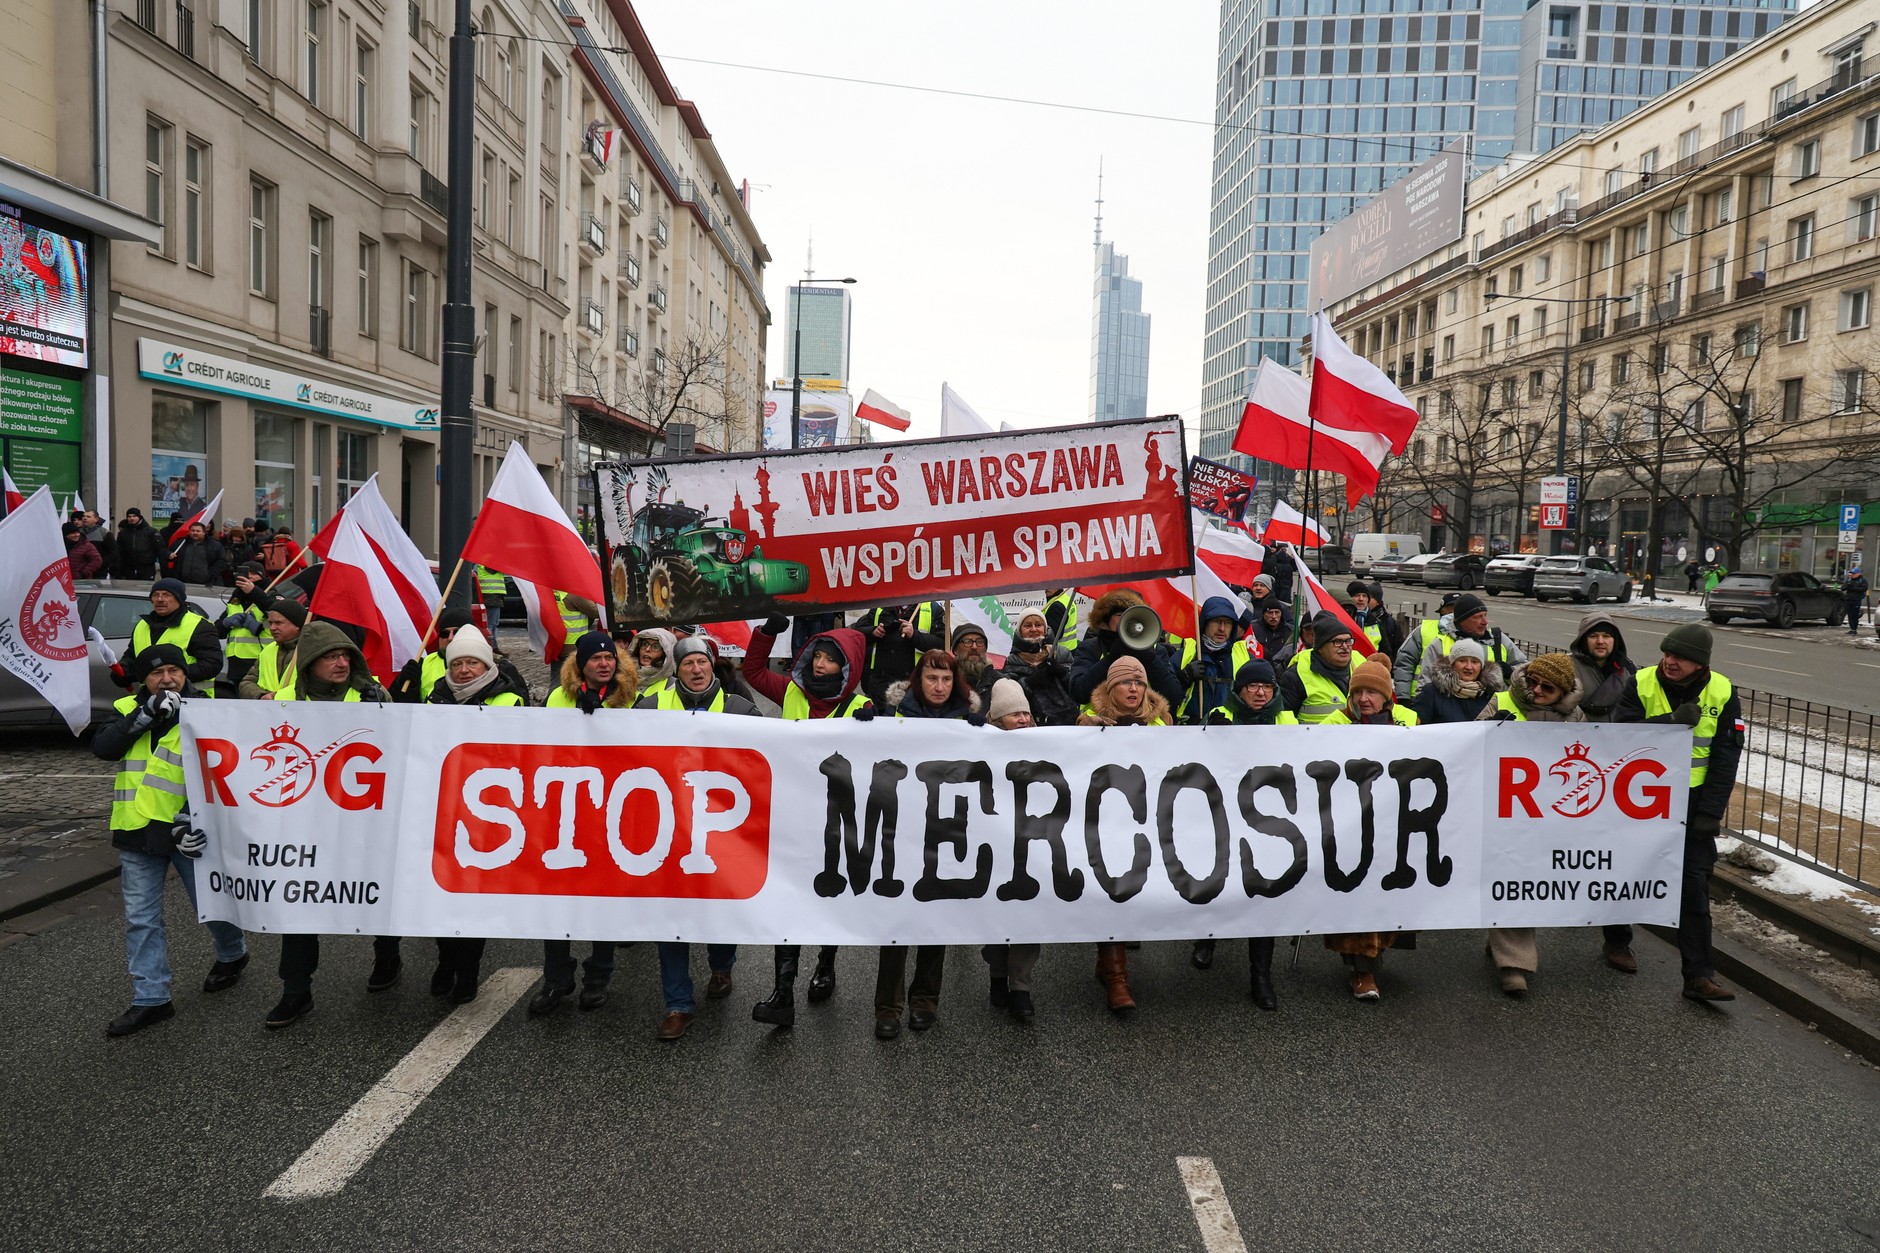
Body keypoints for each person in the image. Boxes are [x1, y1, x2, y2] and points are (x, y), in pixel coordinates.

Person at [92, 645, 249, 1036]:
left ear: (186, 675)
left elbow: (229, 772)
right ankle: (152, 998)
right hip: (136, 830)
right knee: (141, 920)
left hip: (189, 833)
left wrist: (192, 818)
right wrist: (144, 717)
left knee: (211, 906)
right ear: (143, 680)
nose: (167, 679)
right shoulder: (130, 708)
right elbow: (105, 749)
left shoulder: (209, 710)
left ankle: (233, 953)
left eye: (175, 671)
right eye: (158, 674)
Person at [740, 617, 872, 1027]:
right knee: (789, 899)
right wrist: (767, 632)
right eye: (816, 656)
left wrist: (873, 730)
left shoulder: (860, 708)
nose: (819, 664)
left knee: (829, 895)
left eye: (830, 660)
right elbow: (753, 672)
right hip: (792, 814)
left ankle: (826, 964)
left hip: (835, 820)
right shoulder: (792, 691)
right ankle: (783, 989)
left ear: (847, 667)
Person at [266, 621, 392, 1028]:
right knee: (297, 906)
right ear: (310, 664)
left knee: (376, 894)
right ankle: (295, 990)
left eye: (345, 656)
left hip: (366, 819)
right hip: (305, 823)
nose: (340, 663)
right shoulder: (283, 700)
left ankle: (388, 956)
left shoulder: (371, 695)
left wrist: (385, 709)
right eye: (330, 657)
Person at [1613, 624, 1745, 1002]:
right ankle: (1617, 942)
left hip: (1691, 804)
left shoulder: (1722, 691)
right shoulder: (1640, 683)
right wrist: (1669, 723)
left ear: (1700, 664)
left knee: (1693, 887)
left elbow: (1725, 757)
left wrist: (1710, 812)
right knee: (1623, 873)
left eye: (1681, 658)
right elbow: (1619, 735)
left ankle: (1699, 975)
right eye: (1667, 654)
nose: (1670, 662)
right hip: (1636, 799)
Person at [636, 635, 757, 1040]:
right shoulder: (651, 706)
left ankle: (722, 964)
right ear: (678, 668)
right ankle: (678, 1003)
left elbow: (767, 761)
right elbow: (623, 751)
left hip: (721, 834)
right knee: (671, 917)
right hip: (667, 833)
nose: (696, 669)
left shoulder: (742, 709)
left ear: (712, 665)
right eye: (688, 664)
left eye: (702, 662)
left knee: (717, 912)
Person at [862, 648, 983, 1038]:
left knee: (936, 921)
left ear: (956, 682)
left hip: (948, 833)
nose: (939, 686)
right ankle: (888, 1006)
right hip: (903, 831)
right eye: (932, 678)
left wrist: (987, 734)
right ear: (918, 680)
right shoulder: (894, 715)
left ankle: (925, 1000)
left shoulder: (969, 720)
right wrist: (862, 726)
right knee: (897, 923)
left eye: (947, 679)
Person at [528, 631, 634, 1018]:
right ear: (582, 665)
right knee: (556, 900)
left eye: (610, 658)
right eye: (596, 659)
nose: (604, 664)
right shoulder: (559, 697)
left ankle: (598, 977)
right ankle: (557, 978)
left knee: (602, 899)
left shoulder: (633, 698)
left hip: (611, 812)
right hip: (565, 812)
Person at [423, 625, 524, 1004]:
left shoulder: (509, 702)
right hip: (442, 811)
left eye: (473, 663)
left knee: (470, 898)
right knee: (441, 896)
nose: (465, 670)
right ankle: (445, 960)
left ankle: (468, 970)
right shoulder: (435, 699)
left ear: (487, 667)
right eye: (459, 663)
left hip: (487, 816)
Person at [1477, 652, 1585, 997]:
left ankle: (1504, 942)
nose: (1536, 690)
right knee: (1510, 877)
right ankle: (1514, 964)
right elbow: (1466, 746)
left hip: (1548, 815)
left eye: (1547, 688)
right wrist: (1491, 731)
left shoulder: (1576, 718)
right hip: (1500, 809)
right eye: (1534, 682)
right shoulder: (1503, 701)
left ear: (1563, 691)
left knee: (1528, 881)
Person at [1077, 654, 1172, 1017]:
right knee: (1112, 890)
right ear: (1110, 688)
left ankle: (1108, 964)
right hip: (1108, 821)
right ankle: (1116, 977)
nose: (1133, 689)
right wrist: (1086, 728)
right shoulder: (1089, 720)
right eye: (1124, 683)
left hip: (1152, 820)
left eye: (1139, 683)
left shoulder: (1163, 723)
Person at [1200, 656, 1293, 1010]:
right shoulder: (1220, 716)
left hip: (1268, 820)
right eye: (1252, 686)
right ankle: (1206, 939)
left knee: (1263, 892)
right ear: (1239, 690)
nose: (1259, 692)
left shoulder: (1288, 719)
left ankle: (1261, 975)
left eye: (1266, 686)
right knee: (1217, 882)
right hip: (1223, 816)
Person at [980, 677, 1043, 1022]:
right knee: (995, 915)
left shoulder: (1043, 743)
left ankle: (1021, 987)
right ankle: (997, 975)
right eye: (1013, 713)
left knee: (1027, 916)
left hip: (1030, 844)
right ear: (996, 718)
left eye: (1025, 713)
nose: (1022, 719)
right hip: (992, 843)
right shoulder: (980, 743)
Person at [1068, 588, 1185, 710]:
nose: (1126, 619)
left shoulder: (1156, 651)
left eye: (1132, 615)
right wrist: (1112, 658)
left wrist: (1151, 660)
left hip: (1147, 727)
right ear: (1106, 619)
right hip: (1102, 725)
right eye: (1120, 615)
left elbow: (1174, 697)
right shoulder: (1091, 648)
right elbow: (1078, 693)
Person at [124, 578, 222, 697]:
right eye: (155, 595)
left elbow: (212, 665)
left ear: (179, 599)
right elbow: (131, 656)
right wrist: (123, 670)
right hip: (150, 700)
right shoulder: (142, 625)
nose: (160, 599)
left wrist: (174, 676)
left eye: (166, 595)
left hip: (191, 699)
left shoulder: (200, 626)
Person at [1417, 593, 1525, 688]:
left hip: (1493, 708)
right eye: (1477, 617)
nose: (1485, 622)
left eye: (1485, 616)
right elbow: (1425, 683)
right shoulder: (1439, 644)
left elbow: (1526, 670)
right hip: (1451, 707)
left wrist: (1510, 672)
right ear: (1462, 620)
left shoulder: (1498, 639)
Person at [1178, 596, 1255, 725]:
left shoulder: (1246, 659)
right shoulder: (1186, 654)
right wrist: (1182, 678)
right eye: (1217, 621)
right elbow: (1163, 696)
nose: (1222, 628)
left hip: (1233, 733)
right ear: (1205, 623)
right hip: (1190, 733)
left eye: (1228, 623)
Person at [855, 601, 945, 707]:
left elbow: (943, 644)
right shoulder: (880, 607)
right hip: (880, 686)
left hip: (914, 686)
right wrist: (873, 631)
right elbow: (858, 633)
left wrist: (914, 635)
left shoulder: (933, 609)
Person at [999, 606, 1079, 726]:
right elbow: (1009, 697)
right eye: (1027, 626)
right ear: (1020, 631)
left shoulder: (1062, 654)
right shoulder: (1013, 660)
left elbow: (1078, 688)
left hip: (1067, 722)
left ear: (1046, 629)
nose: (1034, 629)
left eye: (1038, 625)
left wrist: (1062, 673)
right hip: (1032, 724)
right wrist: (1029, 683)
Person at [1277, 612, 1357, 724]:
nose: (1345, 647)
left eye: (1348, 641)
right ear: (1320, 648)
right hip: (1312, 740)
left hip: (1357, 740)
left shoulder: (1361, 664)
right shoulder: (1296, 675)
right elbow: (1284, 721)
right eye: (1337, 642)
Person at [1412, 637, 1504, 725]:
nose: (1468, 667)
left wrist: (1494, 723)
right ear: (1452, 664)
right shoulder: (1432, 692)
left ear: (1481, 666)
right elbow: (1416, 728)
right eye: (1462, 660)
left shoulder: (1490, 695)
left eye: (1474, 662)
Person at [1392, 590, 1461, 699]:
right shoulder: (1424, 630)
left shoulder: (1474, 632)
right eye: (1452, 608)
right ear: (1442, 610)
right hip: (1420, 697)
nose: (1455, 612)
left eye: (1460, 608)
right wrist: (1403, 696)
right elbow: (1404, 663)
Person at [1568, 612, 1636, 720]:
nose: (1600, 641)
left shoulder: (1628, 669)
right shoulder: (1568, 668)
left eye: (1606, 636)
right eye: (1593, 636)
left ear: (1615, 640)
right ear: (1583, 640)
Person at [216, 564, 270, 692]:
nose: (249, 577)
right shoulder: (237, 597)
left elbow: (274, 610)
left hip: (262, 661)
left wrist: (253, 592)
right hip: (237, 665)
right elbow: (217, 631)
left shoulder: (270, 593)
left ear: (262, 576)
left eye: (254, 574)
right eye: (246, 574)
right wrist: (226, 623)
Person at [1324, 655, 1418, 726]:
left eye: (1371, 692)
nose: (1363, 699)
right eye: (1358, 692)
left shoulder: (1409, 718)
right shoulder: (1334, 723)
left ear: (1385, 697)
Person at [240, 598, 306, 699]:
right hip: (269, 711)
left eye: (278, 623)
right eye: (270, 623)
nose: (272, 628)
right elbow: (247, 683)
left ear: (297, 625)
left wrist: (279, 696)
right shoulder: (268, 650)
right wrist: (261, 695)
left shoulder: (312, 651)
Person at [1347, 580, 1404, 657]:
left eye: (1364, 596)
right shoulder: (1343, 620)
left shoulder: (1376, 622)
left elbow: (1386, 652)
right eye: (1357, 595)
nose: (1361, 599)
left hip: (1371, 667)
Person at [950, 622, 1001, 708]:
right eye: (967, 642)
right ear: (955, 650)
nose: (974, 647)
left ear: (985, 649)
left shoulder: (999, 682)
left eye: (980, 642)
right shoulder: (946, 682)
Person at [168, 520, 227, 586]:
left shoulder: (215, 545)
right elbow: (168, 554)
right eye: (192, 531)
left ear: (204, 532)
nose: (195, 533)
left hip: (208, 584)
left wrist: (211, 574)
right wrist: (169, 555)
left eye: (198, 531)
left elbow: (222, 561)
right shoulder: (180, 543)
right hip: (183, 583)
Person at [631, 627, 678, 701]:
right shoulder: (621, 678)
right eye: (644, 644)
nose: (647, 649)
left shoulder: (673, 686)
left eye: (656, 646)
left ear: (666, 654)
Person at [116, 508, 162, 580]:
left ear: (139, 517)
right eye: (129, 516)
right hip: (128, 567)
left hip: (146, 567)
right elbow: (119, 550)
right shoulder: (123, 533)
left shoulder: (151, 531)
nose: (132, 518)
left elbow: (159, 548)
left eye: (134, 516)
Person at [1249, 598, 1294, 666]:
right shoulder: (1253, 628)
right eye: (1270, 612)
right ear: (1264, 614)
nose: (1274, 616)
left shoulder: (1290, 631)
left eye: (1277, 612)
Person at [476, 564, 508, 638]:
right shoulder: (489, 564)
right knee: (491, 624)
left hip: (491, 597)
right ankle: (490, 645)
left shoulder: (482, 564)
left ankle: (494, 646)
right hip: (492, 597)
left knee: (492, 624)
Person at [1842, 566, 1869, 637]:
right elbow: (1843, 588)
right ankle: (1852, 629)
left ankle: (1854, 629)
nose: (1852, 575)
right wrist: (1847, 586)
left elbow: (1864, 588)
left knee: (1854, 615)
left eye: (1854, 573)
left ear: (1858, 574)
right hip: (1848, 599)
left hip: (1856, 600)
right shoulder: (1849, 580)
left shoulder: (1862, 580)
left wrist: (1854, 588)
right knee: (1850, 615)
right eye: (1852, 573)